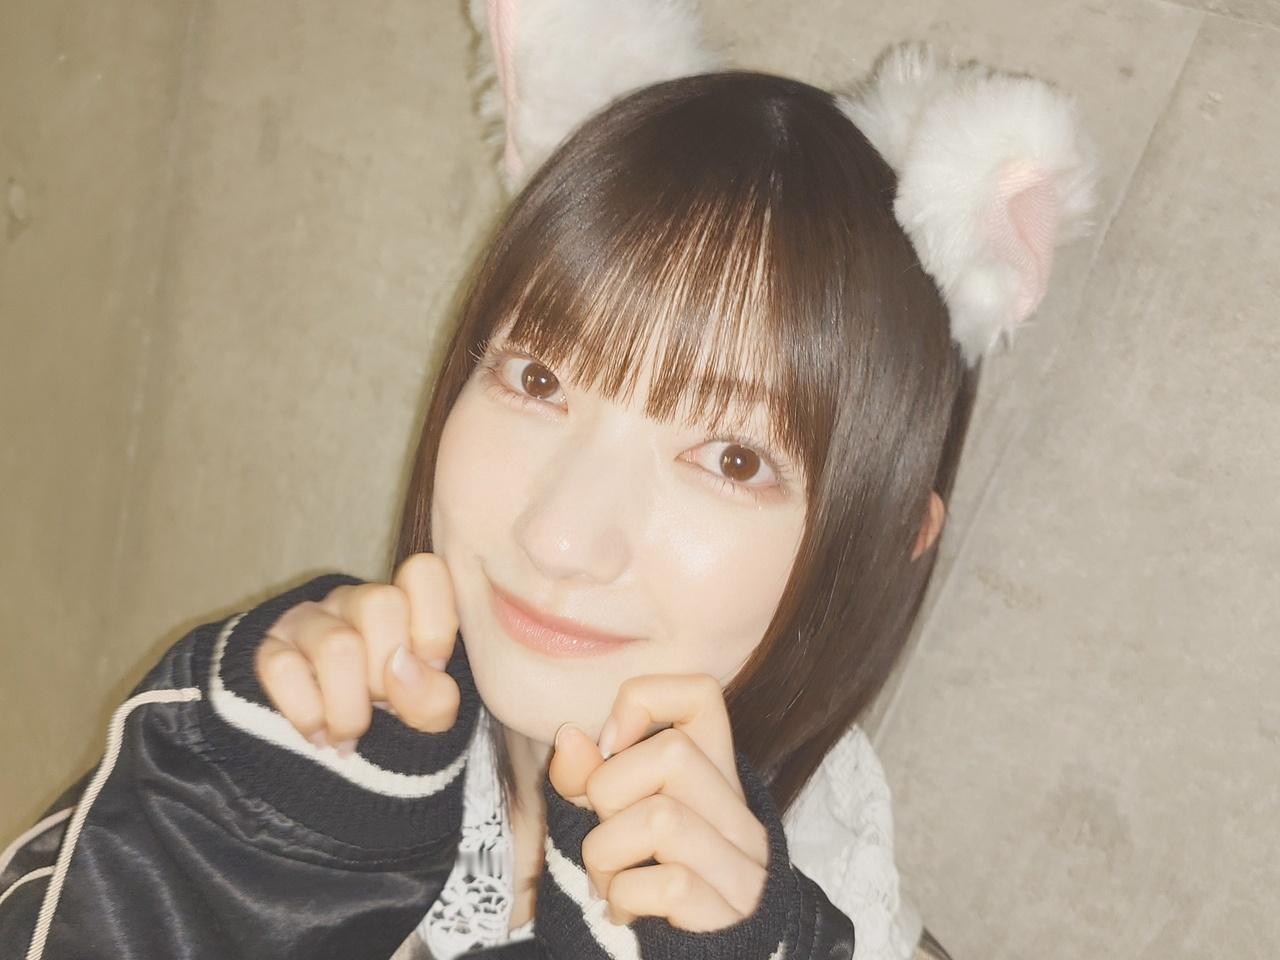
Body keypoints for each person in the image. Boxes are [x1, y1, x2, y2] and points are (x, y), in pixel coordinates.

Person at [0, 27, 1096, 960]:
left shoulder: (849, 906)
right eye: (536, 379)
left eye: (731, 458)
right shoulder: (295, 742)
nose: (561, 536)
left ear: (889, 538)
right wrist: (225, 859)